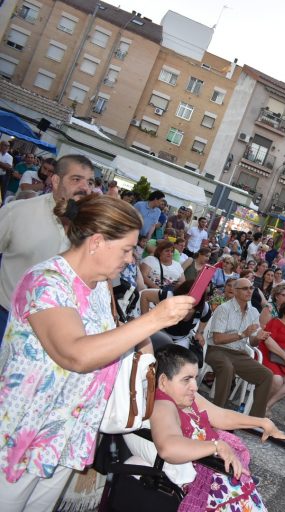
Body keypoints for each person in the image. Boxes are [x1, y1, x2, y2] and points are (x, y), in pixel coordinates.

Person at [0, 194, 195, 510]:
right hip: (24, 433)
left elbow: (114, 342)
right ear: (96, 242)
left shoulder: (99, 286)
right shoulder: (47, 282)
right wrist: (154, 318)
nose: (131, 259)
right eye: (126, 249)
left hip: (67, 431)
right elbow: (75, 354)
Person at [151, 345, 285, 511]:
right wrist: (216, 446)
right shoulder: (162, 405)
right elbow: (168, 448)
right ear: (162, 381)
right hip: (208, 479)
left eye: (195, 378)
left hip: (219, 469)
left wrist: (262, 422)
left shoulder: (187, 397)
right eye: (186, 379)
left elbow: (221, 416)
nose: (195, 387)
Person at [0, 155, 94, 338]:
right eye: (76, 179)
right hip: (7, 320)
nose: (85, 188)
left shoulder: (93, 231)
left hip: (55, 337)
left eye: (90, 182)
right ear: (56, 180)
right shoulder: (18, 212)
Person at [205, 278, 273, 418]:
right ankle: (217, 413)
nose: (249, 291)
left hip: (238, 353)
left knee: (266, 375)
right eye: (245, 288)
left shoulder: (254, 311)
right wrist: (243, 334)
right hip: (217, 350)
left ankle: (255, 420)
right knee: (227, 368)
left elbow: (252, 342)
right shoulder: (224, 309)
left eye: (251, 288)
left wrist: (258, 337)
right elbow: (217, 339)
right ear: (235, 291)